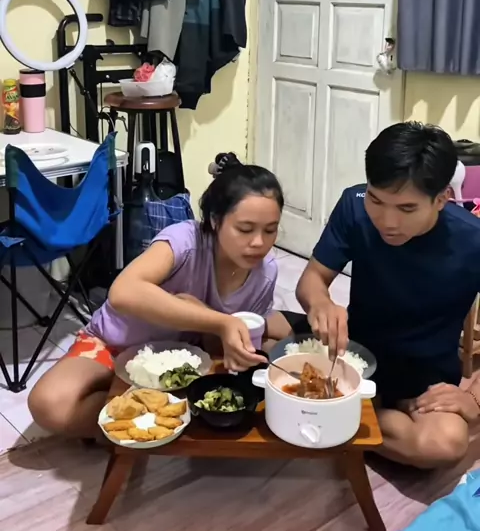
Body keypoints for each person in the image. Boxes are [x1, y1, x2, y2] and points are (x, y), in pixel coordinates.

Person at [268, 122, 480, 469]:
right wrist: (321, 304)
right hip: (349, 350)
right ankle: (355, 415)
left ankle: (325, 413)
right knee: (252, 329)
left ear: (441, 199)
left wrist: (474, 398)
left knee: (444, 443)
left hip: (421, 378)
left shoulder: (473, 239)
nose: (386, 221)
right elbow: (312, 280)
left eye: (406, 208)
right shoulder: (354, 206)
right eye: (376, 200)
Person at [28, 153, 284, 438]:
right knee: (49, 404)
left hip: (181, 362)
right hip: (114, 344)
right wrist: (217, 320)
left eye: (270, 230)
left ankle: (143, 422)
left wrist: (226, 337)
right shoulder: (184, 240)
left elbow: (218, 347)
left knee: (267, 362)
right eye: (245, 229)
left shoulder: (265, 273)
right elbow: (123, 292)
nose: (259, 242)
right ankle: (149, 419)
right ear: (215, 220)